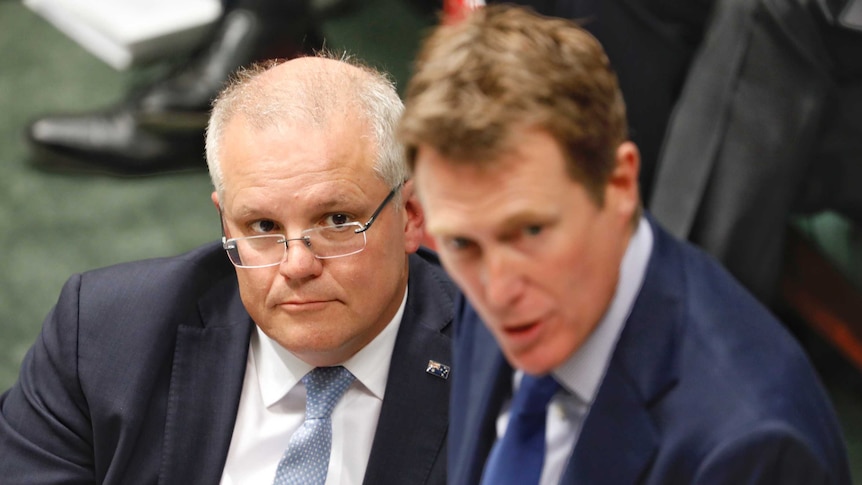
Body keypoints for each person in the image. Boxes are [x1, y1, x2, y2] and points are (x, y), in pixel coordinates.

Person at [398, 5, 851, 484]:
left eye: (531, 232)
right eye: (461, 243)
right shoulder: (490, 268)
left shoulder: (753, 451)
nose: (497, 291)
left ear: (619, 183)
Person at [0, 53, 455, 484]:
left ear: (411, 214)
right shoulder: (100, 337)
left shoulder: (499, 361)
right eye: (262, 225)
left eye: (337, 221)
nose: (297, 264)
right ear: (225, 221)